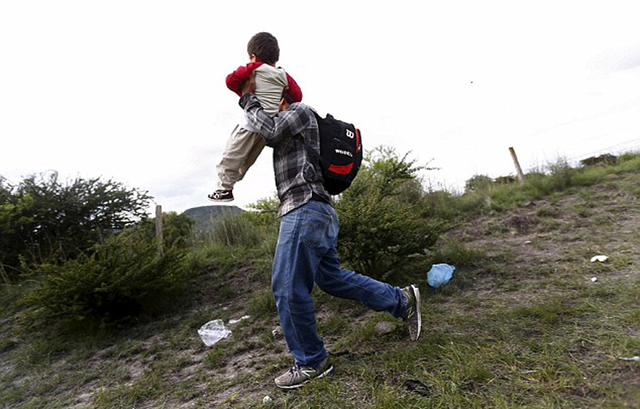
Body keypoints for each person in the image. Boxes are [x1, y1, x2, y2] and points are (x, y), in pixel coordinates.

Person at [237, 75, 422, 389]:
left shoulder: (299, 111)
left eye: (270, 99)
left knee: (286, 287)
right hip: (316, 211)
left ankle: (311, 361)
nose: (267, 106)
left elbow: (267, 129)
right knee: (331, 278)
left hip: (304, 208)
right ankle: (402, 301)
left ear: (280, 97)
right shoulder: (291, 120)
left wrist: (247, 98)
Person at [208, 32, 302, 202]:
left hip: (250, 123)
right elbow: (298, 96)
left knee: (229, 157)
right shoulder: (283, 76)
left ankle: (224, 189)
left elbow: (230, 81)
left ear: (253, 56)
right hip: (267, 129)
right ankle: (231, 184)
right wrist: (282, 97)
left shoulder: (253, 68)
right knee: (247, 160)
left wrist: (243, 92)